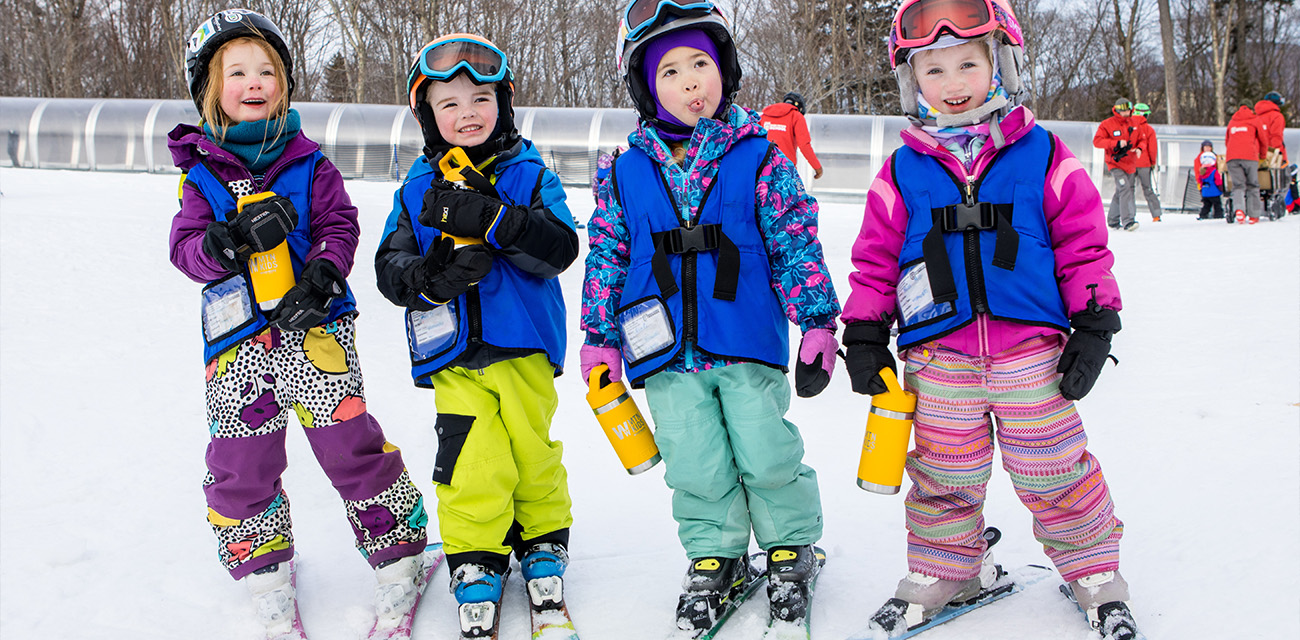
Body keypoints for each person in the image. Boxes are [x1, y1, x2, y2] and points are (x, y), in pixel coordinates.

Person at [844, 1, 1140, 638]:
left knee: (1054, 468)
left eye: (968, 64)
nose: (952, 84)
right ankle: (945, 567)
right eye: (934, 70)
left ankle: (1092, 569)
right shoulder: (903, 169)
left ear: (1000, 64)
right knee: (943, 474)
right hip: (938, 358)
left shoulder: (1042, 154)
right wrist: (866, 329)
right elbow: (875, 257)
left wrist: (1094, 320)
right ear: (912, 81)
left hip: (1030, 353)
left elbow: (1083, 244)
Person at [166, 9, 428, 637]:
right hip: (238, 342)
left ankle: (400, 562)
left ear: (282, 83)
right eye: (238, 72)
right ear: (211, 85)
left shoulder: (310, 162)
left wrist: (323, 274)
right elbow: (184, 250)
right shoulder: (199, 173)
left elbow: (341, 225)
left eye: (267, 71)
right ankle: (265, 577)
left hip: (316, 332)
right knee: (242, 459)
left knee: (349, 445)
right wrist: (224, 241)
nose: (254, 82)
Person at [582, 0, 839, 633]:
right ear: (647, 88)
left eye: (701, 62)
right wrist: (599, 336)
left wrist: (817, 321)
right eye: (669, 71)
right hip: (664, 349)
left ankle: (790, 543)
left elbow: (793, 240)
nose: (690, 81)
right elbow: (609, 250)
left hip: (744, 336)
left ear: (725, 70)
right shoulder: (624, 168)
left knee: (765, 448)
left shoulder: (761, 155)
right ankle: (716, 555)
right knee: (693, 460)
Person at [373, 33, 579, 636]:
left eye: (481, 98)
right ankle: (475, 556)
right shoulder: (416, 188)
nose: (467, 114)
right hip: (454, 354)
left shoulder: (529, 174)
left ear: (504, 104)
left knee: (530, 450)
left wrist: (497, 220)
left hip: (525, 347)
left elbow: (559, 250)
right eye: (450, 103)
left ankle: (543, 541)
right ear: (429, 117)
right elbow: (392, 267)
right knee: (468, 457)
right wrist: (430, 278)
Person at [1094, 97, 1141, 230]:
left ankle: (1113, 220)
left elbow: (1141, 140)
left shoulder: (1135, 123)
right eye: (1124, 111)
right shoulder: (1107, 124)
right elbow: (1097, 141)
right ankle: (1128, 221)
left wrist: (1139, 148)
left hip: (1130, 163)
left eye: (1129, 110)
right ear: (1118, 111)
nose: (1127, 113)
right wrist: (1116, 143)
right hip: (1115, 163)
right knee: (1125, 188)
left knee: (1121, 191)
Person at [759, 91, 824, 179]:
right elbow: (804, 145)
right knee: (792, 192)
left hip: (763, 169)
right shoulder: (796, 116)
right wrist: (817, 168)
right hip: (785, 170)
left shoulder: (763, 117)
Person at [1224, 102, 1269, 223]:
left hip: (1232, 158)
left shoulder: (1232, 121)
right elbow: (1263, 139)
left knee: (1238, 185)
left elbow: (1227, 141)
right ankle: (1253, 215)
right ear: (1251, 108)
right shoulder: (1255, 119)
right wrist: (1263, 156)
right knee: (1253, 185)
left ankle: (1239, 210)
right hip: (1250, 157)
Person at [1131, 102, 1163, 222]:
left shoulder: (1126, 127)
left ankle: (1128, 216)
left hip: (1129, 163)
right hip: (1144, 164)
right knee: (1148, 189)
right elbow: (1152, 148)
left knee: (1128, 191)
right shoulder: (1149, 129)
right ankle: (1156, 214)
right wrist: (1152, 162)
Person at [1195, 140, 1225, 220]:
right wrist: (1221, 187)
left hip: (1205, 191)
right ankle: (1218, 215)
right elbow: (1218, 180)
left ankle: (1203, 215)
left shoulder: (1202, 171)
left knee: (1206, 205)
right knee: (1217, 204)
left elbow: (1200, 179)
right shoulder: (1213, 171)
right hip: (1214, 191)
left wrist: (1201, 188)